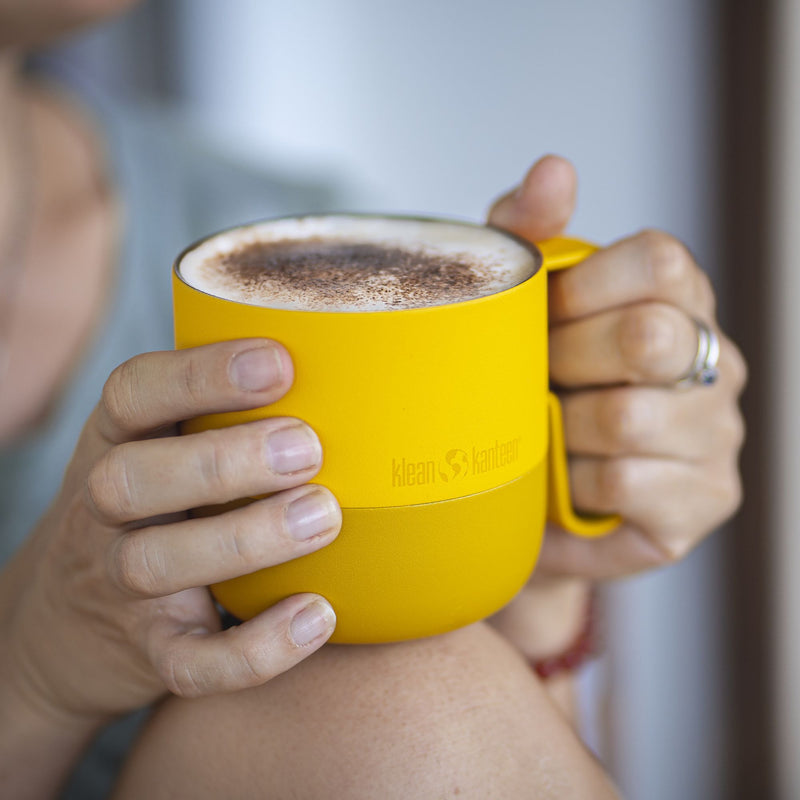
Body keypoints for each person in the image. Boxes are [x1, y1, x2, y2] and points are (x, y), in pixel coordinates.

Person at [0, 2, 746, 798]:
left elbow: (513, 757)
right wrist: (30, 684)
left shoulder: (266, 224)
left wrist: (533, 582)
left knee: (412, 705)